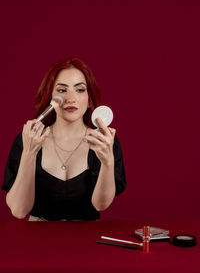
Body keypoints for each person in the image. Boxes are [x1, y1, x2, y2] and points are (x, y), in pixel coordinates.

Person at [2, 58, 126, 221]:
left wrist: (108, 161)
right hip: (37, 241)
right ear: (49, 98)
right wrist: (29, 154)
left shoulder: (105, 142)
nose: (70, 98)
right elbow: (19, 211)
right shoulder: (28, 139)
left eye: (80, 90)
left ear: (89, 99)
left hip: (87, 241)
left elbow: (100, 205)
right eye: (61, 90)